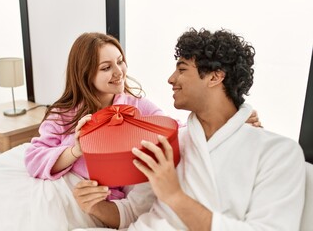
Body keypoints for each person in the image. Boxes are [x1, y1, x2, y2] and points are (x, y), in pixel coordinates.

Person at [25, 31, 261, 229]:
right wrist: (76, 150)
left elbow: (174, 129)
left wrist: (233, 120)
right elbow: (34, 159)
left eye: (120, 61)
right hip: (76, 191)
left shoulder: (136, 105)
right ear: (85, 74)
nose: (119, 71)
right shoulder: (62, 114)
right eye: (106, 67)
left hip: (115, 201)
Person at [123, 28, 306, 230]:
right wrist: (94, 205)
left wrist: (174, 196)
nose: (171, 79)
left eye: (182, 69)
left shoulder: (278, 153)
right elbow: (132, 211)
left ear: (215, 77)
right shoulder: (172, 142)